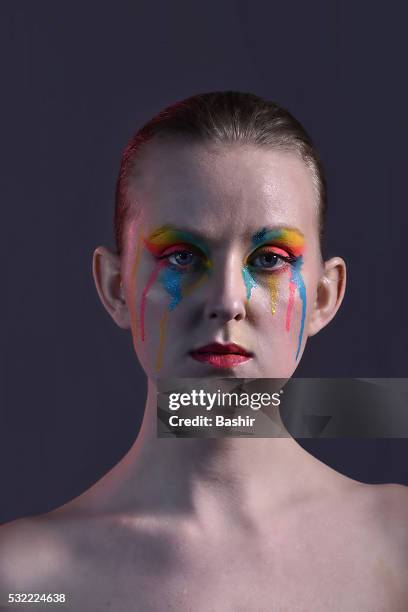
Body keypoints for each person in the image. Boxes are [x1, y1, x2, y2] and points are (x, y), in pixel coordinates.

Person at [1, 91, 407, 611]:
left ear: (325, 295)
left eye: (271, 258)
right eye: (181, 256)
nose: (227, 301)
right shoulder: (25, 581)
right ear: (115, 287)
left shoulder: (398, 547)